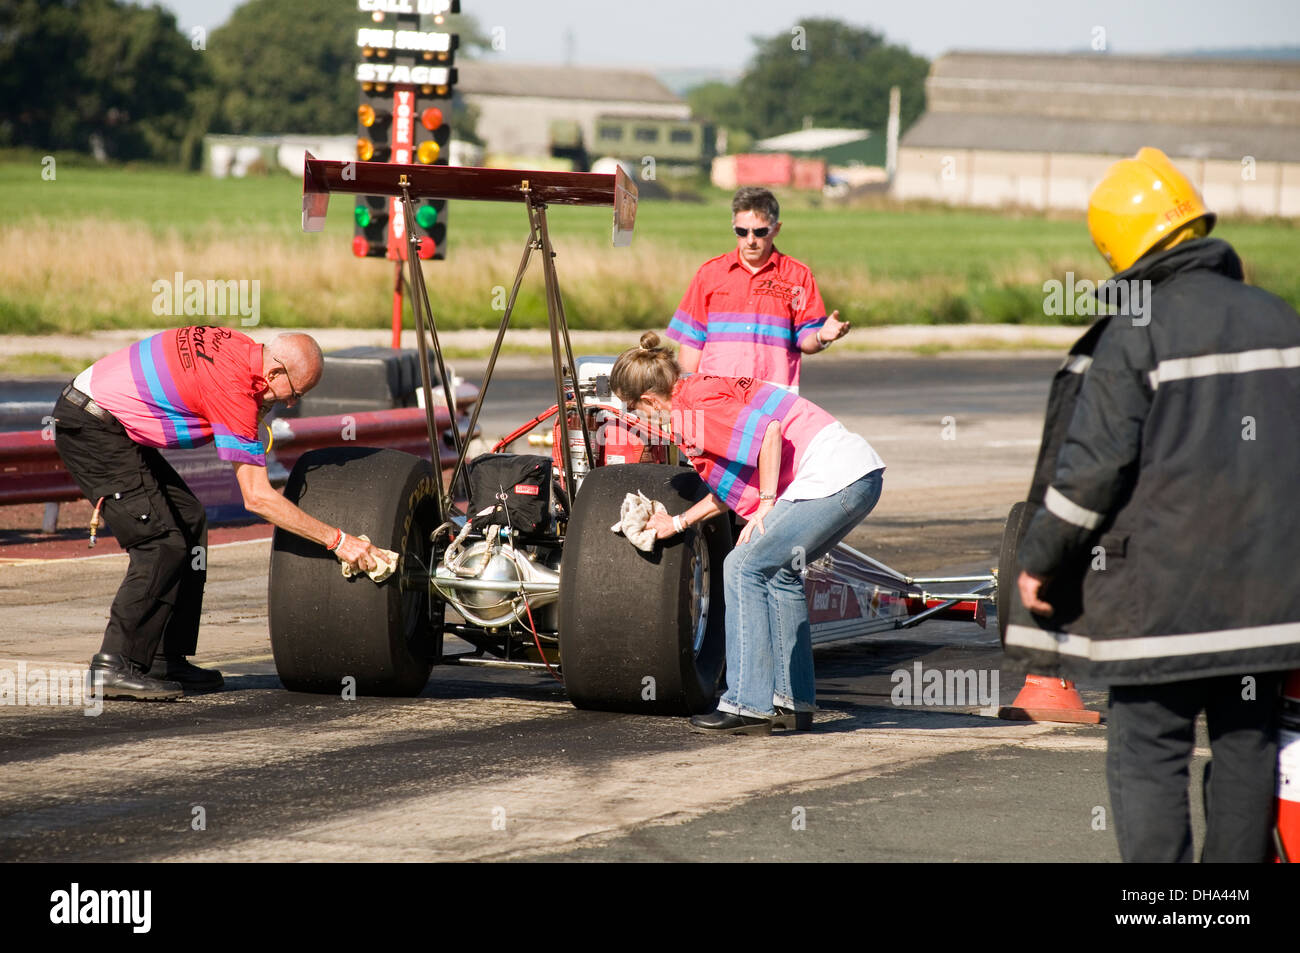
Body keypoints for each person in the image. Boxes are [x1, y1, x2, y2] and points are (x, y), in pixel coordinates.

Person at [1007, 148, 1300, 862]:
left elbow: (1091, 472)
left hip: (1156, 609)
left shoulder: (1133, 331)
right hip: (1267, 604)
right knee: (1244, 757)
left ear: (1120, 248)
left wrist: (1040, 559)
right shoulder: (1281, 319)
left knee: (1149, 764)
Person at [53, 327, 387, 702]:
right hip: (90, 426)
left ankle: (164, 657)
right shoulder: (235, 391)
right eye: (295, 394)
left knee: (189, 520)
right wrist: (339, 541)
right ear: (275, 374)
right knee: (161, 543)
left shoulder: (244, 351)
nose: (291, 404)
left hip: (107, 416)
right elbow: (258, 499)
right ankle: (113, 665)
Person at [610, 332, 885, 734]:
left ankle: (746, 703)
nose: (641, 419)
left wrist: (769, 503)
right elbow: (733, 488)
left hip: (834, 478)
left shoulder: (692, 409)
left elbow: (769, 432)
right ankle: (793, 702)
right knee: (779, 570)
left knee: (742, 565)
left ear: (651, 400)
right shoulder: (699, 392)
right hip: (858, 476)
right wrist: (679, 523)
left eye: (636, 409)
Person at [665, 186, 849, 393]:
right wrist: (682, 396)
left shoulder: (798, 276)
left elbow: (805, 337)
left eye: (760, 232)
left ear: (776, 229)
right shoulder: (710, 274)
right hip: (716, 397)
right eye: (742, 232)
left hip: (773, 399)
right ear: (733, 227)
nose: (750, 240)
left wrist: (821, 337)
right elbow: (691, 341)